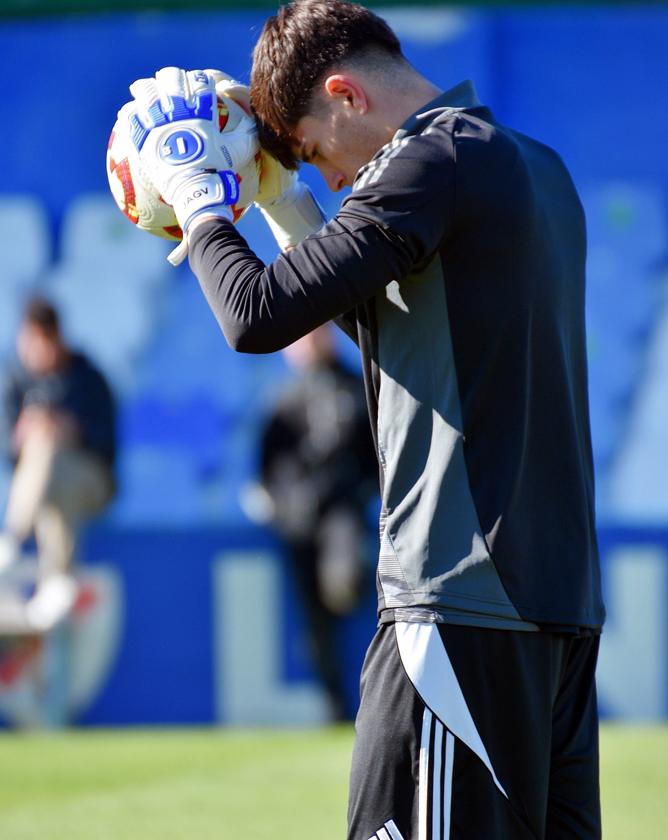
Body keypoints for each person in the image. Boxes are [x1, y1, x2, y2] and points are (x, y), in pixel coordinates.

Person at [124, 1, 605, 836]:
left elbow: (256, 315)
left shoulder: (429, 160)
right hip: (557, 610)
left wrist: (199, 196)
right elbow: (397, 324)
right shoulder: (533, 165)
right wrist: (281, 203)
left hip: (457, 601)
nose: (332, 181)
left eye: (315, 155)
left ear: (345, 94)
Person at [258, 324, 377, 721]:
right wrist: (279, 505)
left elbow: (376, 451)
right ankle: (336, 708)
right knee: (314, 622)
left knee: (342, 585)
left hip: (342, 513)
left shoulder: (355, 385)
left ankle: (373, 699)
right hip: (297, 522)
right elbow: (266, 465)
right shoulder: (282, 398)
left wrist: (362, 492)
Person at [0, 297, 116, 631]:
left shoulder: (87, 378)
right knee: (45, 453)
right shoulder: (15, 381)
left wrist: (69, 430)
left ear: (55, 338)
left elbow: (106, 446)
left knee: (52, 455)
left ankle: (12, 538)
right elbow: (11, 453)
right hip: (45, 489)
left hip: (92, 481)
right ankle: (57, 579)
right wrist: (29, 433)